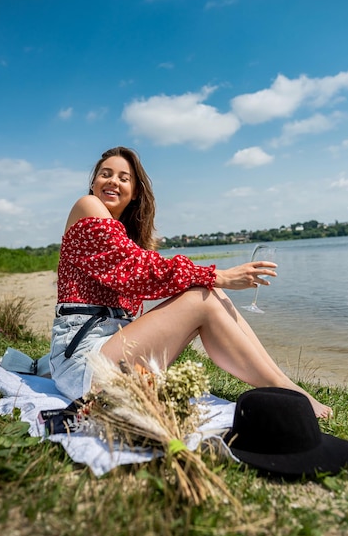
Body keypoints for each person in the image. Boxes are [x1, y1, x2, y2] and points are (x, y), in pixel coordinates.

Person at [50, 146, 332, 418]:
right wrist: (217, 274)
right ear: (93, 182)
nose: (113, 182)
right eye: (105, 174)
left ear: (135, 193)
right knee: (202, 296)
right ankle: (285, 390)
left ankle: (283, 383)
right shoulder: (87, 206)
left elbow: (142, 272)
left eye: (124, 178)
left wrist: (213, 282)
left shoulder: (124, 235)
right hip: (84, 365)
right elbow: (137, 270)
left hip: (111, 351)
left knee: (212, 293)